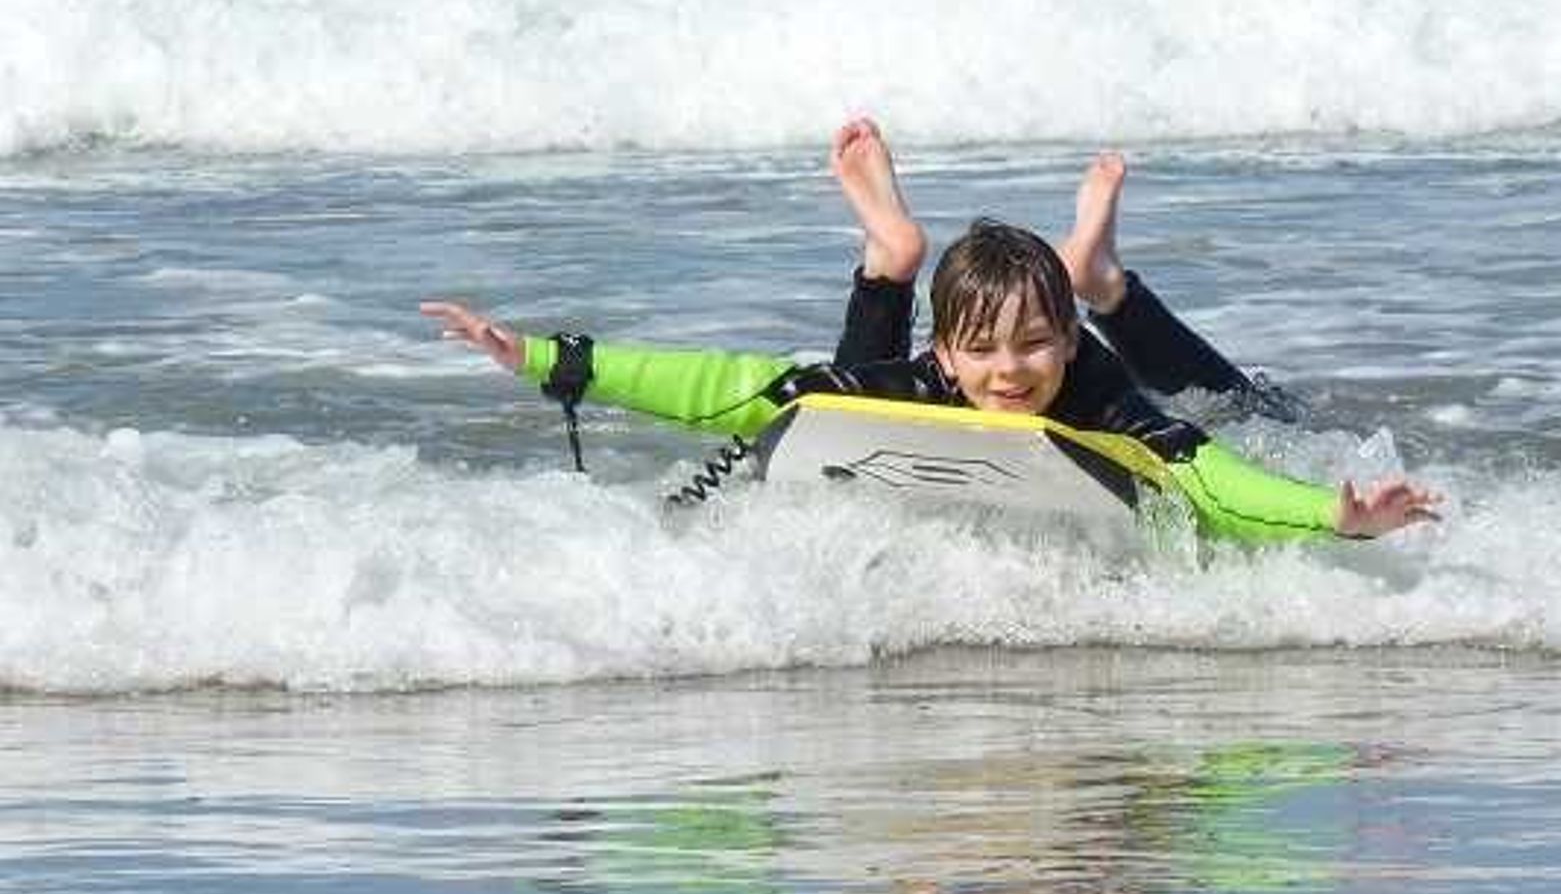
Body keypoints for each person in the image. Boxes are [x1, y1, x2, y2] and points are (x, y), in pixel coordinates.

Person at [422, 121, 1438, 543]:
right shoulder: (928, 377)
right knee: (846, 389)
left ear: (1065, 343)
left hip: (1126, 391)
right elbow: (728, 386)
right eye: (984, 352)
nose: (1010, 372)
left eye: (1036, 343)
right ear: (944, 353)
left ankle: (1103, 283)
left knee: (1251, 410)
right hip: (900, 365)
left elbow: (1214, 473)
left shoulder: (1091, 391)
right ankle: (890, 258)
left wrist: (1325, 514)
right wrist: (548, 357)